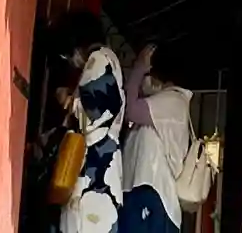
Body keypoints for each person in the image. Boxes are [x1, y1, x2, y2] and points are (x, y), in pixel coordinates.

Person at [52, 13, 126, 233]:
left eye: (67, 54)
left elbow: (94, 112)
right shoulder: (109, 61)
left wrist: (68, 101)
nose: (70, 61)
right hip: (105, 168)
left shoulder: (99, 60)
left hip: (93, 169)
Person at [121, 42, 194, 232]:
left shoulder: (173, 100)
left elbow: (130, 110)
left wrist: (138, 69)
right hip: (146, 192)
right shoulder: (163, 104)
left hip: (152, 192)